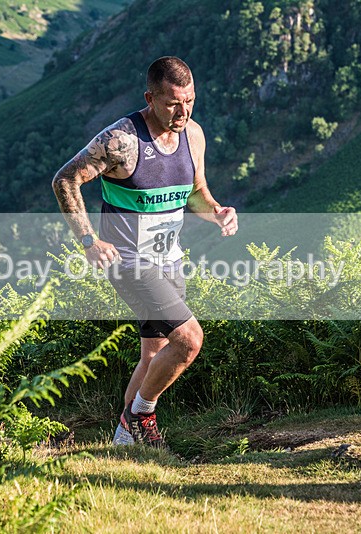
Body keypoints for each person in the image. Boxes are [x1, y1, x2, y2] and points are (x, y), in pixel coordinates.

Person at [52, 57, 238, 447]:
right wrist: (88, 240)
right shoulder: (122, 141)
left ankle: (123, 441)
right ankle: (142, 415)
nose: (182, 111)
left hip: (169, 259)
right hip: (129, 262)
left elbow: (195, 192)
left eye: (189, 101)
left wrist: (217, 212)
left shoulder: (194, 136)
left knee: (154, 356)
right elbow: (65, 179)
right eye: (172, 103)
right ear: (150, 98)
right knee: (189, 340)